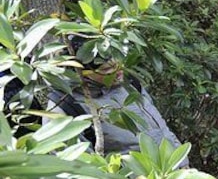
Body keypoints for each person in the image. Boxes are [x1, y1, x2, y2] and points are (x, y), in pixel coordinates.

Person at [47, 54, 188, 167]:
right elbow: (78, 171)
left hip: (169, 178)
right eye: (107, 70)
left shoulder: (129, 84)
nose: (119, 71)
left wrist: (181, 161)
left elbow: (158, 125)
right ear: (80, 72)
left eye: (120, 62)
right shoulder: (65, 107)